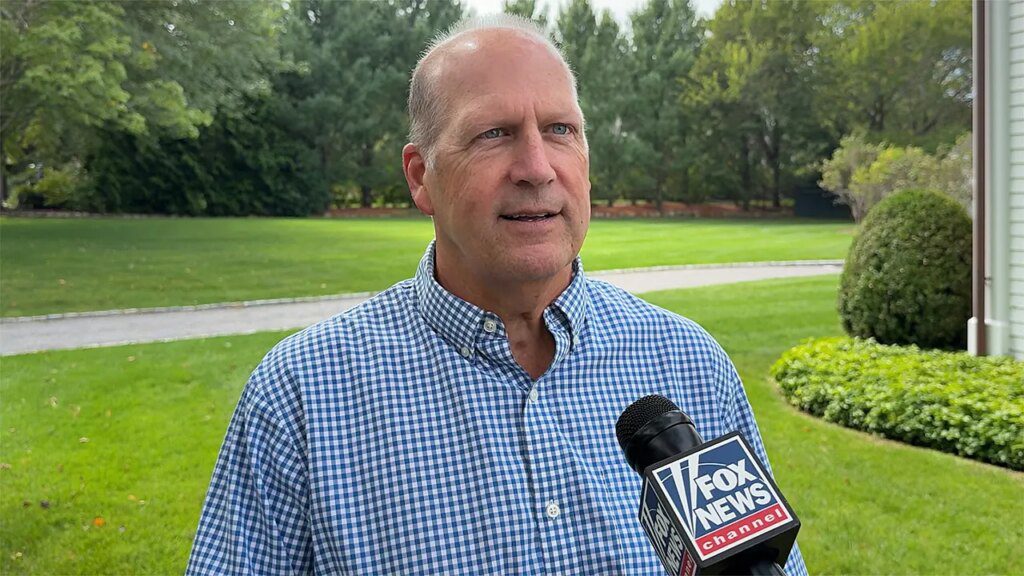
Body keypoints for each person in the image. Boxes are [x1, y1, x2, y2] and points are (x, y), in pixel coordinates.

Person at [187, 14, 808, 576]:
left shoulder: (689, 362)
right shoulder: (301, 396)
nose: (537, 167)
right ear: (421, 177)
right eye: (493, 133)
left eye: (560, 129)